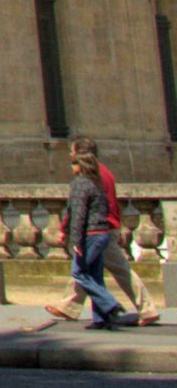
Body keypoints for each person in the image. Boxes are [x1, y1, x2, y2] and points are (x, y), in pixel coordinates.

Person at [49, 136, 159, 325]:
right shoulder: (103, 172)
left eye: (72, 152)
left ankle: (143, 308)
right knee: (89, 269)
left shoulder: (90, 176)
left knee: (99, 270)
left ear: (79, 154)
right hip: (106, 227)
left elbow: (79, 208)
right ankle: (70, 306)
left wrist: (65, 229)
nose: (70, 155)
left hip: (99, 229)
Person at [59, 150, 131, 329]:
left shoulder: (80, 184)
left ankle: (110, 304)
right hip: (102, 233)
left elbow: (78, 213)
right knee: (96, 276)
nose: (71, 166)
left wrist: (75, 240)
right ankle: (101, 319)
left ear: (80, 166)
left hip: (89, 235)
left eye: (73, 163)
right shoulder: (97, 183)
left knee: (79, 273)